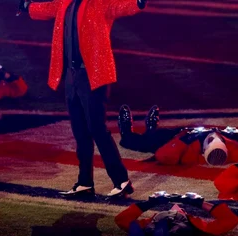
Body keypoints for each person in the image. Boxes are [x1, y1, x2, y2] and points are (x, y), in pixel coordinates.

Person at [18, 0, 148, 197]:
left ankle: (121, 181)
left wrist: (138, 3)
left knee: (97, 129)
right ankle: (85, 182)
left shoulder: (100, 2)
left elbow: (119, 6)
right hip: (72, 75)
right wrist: (28, 7)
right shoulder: (65, 2)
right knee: (80, 131)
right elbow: (49, 9)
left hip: (94, 76)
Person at [118, 104, 238, 166]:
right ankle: (151, 130)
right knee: (159, 136)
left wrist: (186, 140)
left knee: (151, 141)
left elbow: (163, 155)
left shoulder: (192, 155)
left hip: (178, 144)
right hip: (186, 136)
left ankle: (127, 134)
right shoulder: (233, 147)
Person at [114, 191, 238, 236]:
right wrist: (200, 203)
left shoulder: (148, 225)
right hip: (182, 229)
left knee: (175, 232)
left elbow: (122, 219)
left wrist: (150, 203)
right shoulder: (199, 228)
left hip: (160, 226)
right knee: (179, 232)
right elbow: (230, 219)